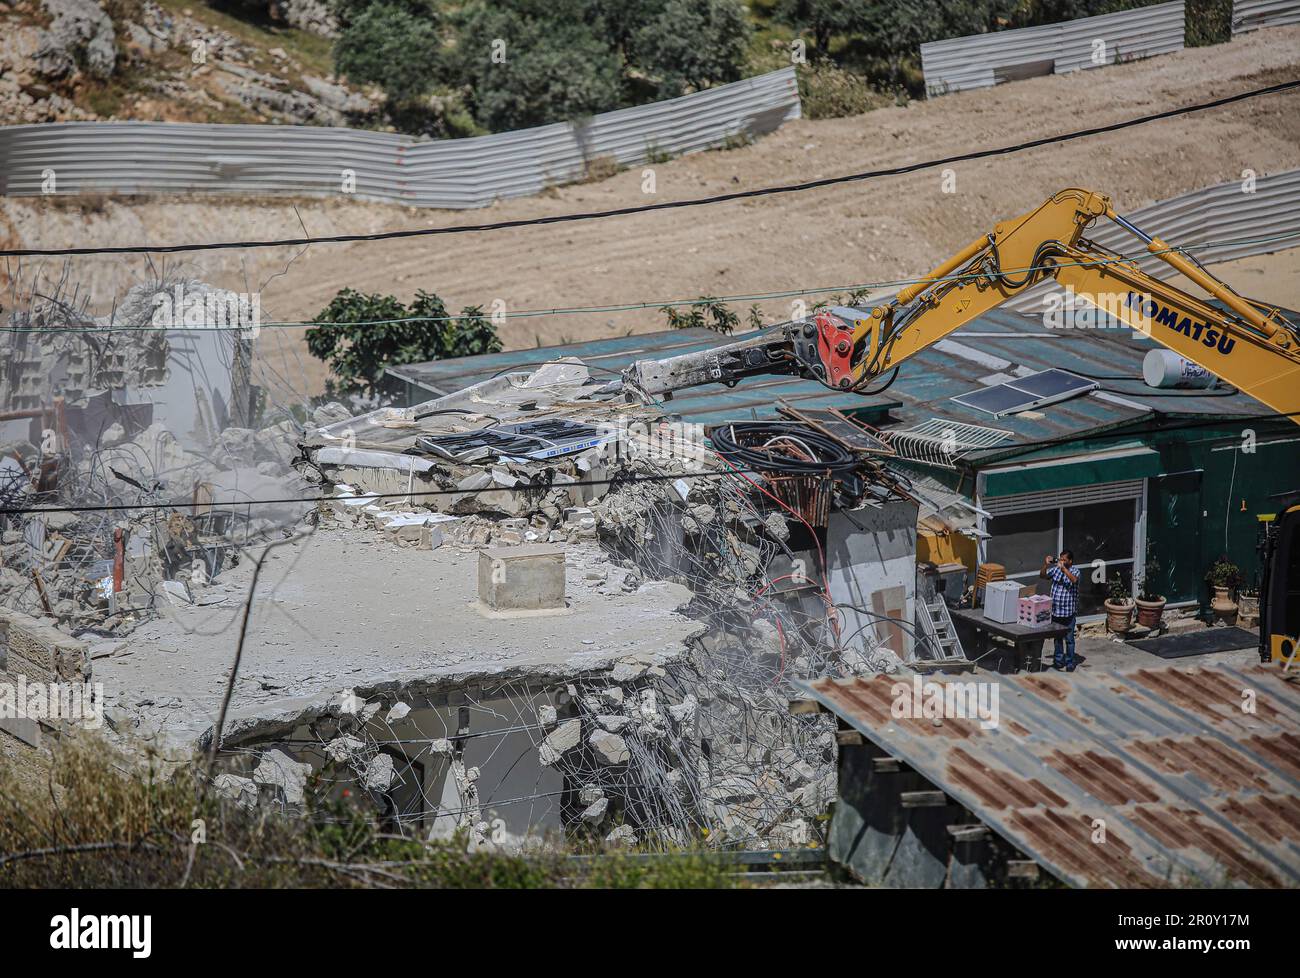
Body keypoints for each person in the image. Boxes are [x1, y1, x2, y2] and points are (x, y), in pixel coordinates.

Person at [1040, 550, 1079, 671]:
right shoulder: (1056, 570)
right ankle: (1058, 661)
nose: (1061, 561)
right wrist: (1046, 564)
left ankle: (1070, 662)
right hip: (1056, 612)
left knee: (1069, 639)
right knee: (1057, 639)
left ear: (1070, 561)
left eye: (1064, 560)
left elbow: (1074, 580)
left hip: (1068, 613)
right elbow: (1042, 576)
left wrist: (1064, 570)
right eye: (1060, 559)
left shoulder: (1075, 571)